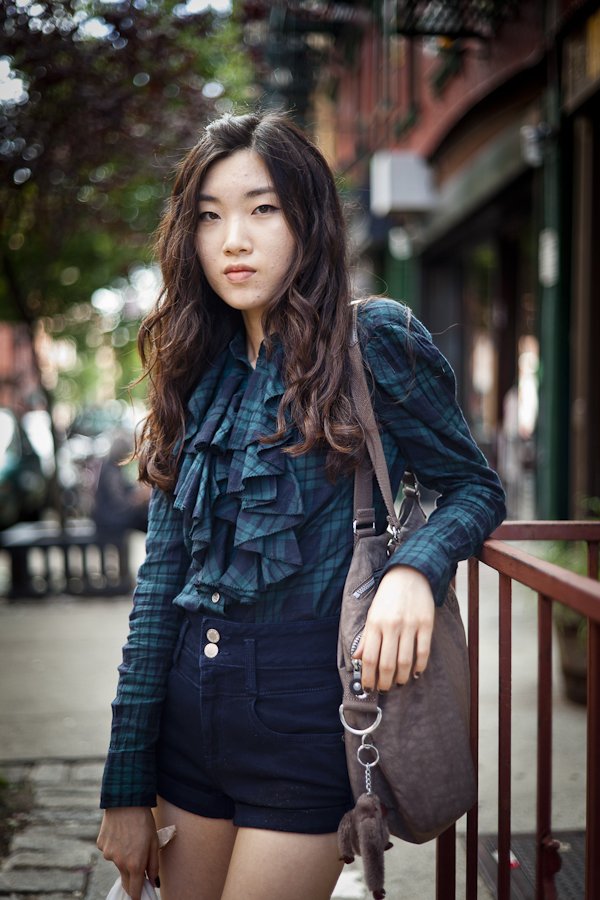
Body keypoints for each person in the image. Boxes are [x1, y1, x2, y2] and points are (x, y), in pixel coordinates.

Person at [96, 111, 505, 900]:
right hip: (188, 712)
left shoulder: (373, 339)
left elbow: (475, 485)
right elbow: (158, 589)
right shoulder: (194, 368)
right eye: (209, 217)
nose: (233, 241)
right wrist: (124, 781)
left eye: (262, 209)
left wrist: (414, 571)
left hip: (307, 714)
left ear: (306, 218)